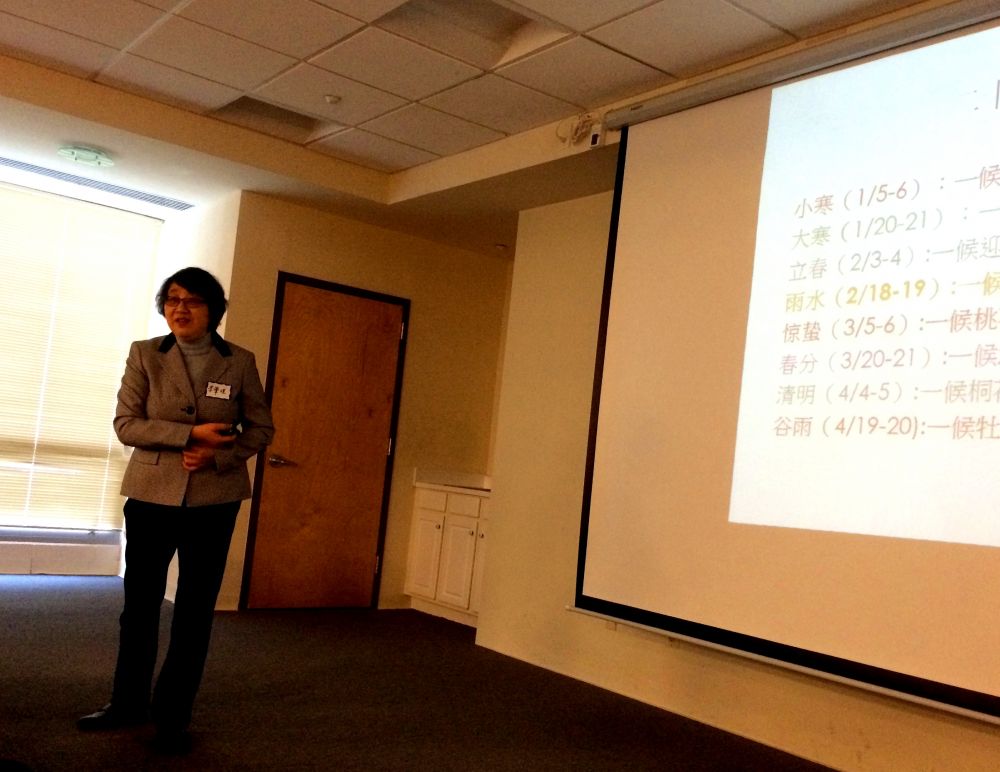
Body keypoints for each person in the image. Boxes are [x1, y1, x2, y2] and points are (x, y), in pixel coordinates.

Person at [77, 267, 274, 754]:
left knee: (194, 611)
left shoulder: (239, 361)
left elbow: (261, 429)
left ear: (213, 309)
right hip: (151, 497)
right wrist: (189, 435)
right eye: (172, 299)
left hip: (215, 501)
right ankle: (127, 702)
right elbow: (126, 424)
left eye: (192, 300)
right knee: (139, 607)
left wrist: (218, 456)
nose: (180, 308)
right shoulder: (145, 353)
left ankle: (173, 716)